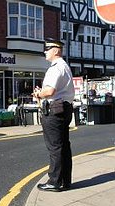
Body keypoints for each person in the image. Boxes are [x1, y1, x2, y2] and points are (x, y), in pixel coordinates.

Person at [32, 39, 75, 192]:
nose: (45, 51)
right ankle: (65, 180)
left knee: (55, 147)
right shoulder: (65, 66)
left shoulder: (56, 68)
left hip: (55, 109)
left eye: (48, 48)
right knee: (64, 146)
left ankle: (54, 181)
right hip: (64, 108)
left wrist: (38, 93)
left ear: (56, 50)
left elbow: (50, 91)